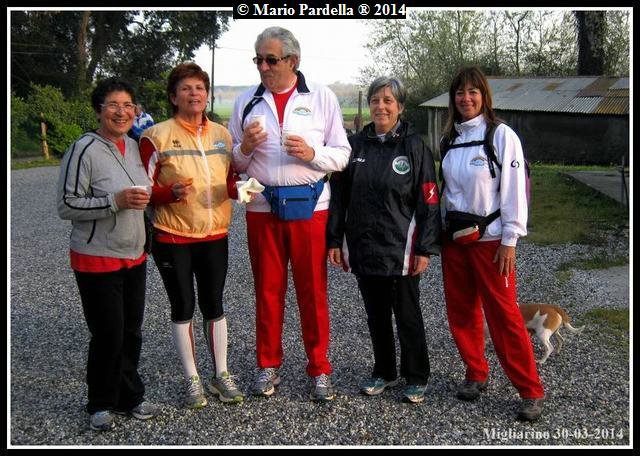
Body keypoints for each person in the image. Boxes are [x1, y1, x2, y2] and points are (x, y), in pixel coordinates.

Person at [228, 27, 351, 402]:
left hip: (310, 208)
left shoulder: (321, 97)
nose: (263, 67)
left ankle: (320, 368)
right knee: (267, 291)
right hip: (262, 208)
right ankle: (267, 364)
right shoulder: (246, 100)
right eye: (258, 60)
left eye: (271, 60)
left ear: (293, 61)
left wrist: (313, 154)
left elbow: (342, 155)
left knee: (312, 292)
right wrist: (245, 148)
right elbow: (233, 162)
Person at [327, 77, 442, 404]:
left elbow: (429, 198)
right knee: (376, 314)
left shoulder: (414, 146)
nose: (381, 106)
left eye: (388, 101)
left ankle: (416, 375)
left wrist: (425, 247)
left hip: (402, 247)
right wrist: (334, 240)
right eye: (376, 100)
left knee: (407, 313)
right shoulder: (354, 146)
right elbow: (338, 197)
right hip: (364, 244)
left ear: (400, 107)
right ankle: (384, 371)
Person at [439, 66, 545, 421]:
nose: (466, 98)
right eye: (459, 92)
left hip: (492, 241)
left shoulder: (500, 135)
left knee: (504, 315)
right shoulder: (450, 139)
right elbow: (448, 192)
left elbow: (514, 190)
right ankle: (475, 372)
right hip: (456, 241)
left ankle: (530, 390)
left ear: (484, 96)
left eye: (473, 92)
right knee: (461, 311)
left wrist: (510, 239)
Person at [56, 78, 159, 431]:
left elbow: (146, 192)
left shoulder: (134, 147)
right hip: (96, 256)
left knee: (131, 331)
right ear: (99, 109)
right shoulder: (83, 149)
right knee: (108, 334)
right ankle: (100, 403)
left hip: (134, 255)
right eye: (113, 104)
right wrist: (113, 202)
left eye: (128, 105)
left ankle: (129, 397)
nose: (121, 112)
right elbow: (66, 204)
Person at [139, 62, 243, 408]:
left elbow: (229, 179)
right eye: (186, 88)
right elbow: (141, 189)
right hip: (173, 236)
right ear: (173, 97)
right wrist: (168, 194)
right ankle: (192, 379)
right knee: (183, 306)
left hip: (215, 234)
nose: (194, 94)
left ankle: (221, 374)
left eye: (199, 88)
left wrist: (240, 189)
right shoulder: (155, 136)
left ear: (207, 94)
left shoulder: (222, 134)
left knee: (214, 304)